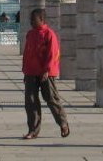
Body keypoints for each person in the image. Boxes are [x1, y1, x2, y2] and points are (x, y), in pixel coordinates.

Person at [22, 8, 70, 140]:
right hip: (31, 72)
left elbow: (53, 54)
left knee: (51, 99)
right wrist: (25, 71)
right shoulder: (30, 34)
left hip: (46, 73)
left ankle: (63, 123)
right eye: (30, 19)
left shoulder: (49, 34)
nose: (31, 22)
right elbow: (27, 53)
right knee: (30, 101)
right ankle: (33, 130)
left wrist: (47, 70)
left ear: (42, 20)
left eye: (34, 19)